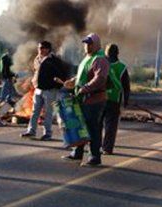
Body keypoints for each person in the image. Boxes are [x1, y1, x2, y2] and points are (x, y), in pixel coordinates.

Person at [63, 33, 110, 166]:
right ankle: (77, 153)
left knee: (92, 128)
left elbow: (100, 78)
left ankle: (94, 157)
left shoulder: (100, 59)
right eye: (85, 43)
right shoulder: (88, 58)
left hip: (94, 99)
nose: (87, 46)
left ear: (96, 44)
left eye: (90, 44)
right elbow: (83, 75)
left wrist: (85, 88)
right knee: (80, 126)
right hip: (83, 99)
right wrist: (73, 81)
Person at [21, 41, 68, 141]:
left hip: (50, 90)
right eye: (39, 48)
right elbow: (36, 72)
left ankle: (47, 133)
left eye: (42, 48)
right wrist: (34, 83)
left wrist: (55, 86)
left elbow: (62, 75)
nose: (40, 50)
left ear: (48, 49)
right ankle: (31, 131)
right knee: (35, 111)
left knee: (48, 113)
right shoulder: (37, 59)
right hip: (38, 89)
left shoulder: (54, 60)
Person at [102, 44, 130, 155]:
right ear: (117, 53)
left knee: (97, 124)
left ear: (106, 53)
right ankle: (107, 148)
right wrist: (126, 102)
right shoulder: (122, 67)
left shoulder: (102, 64)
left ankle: (95, 146)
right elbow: (126, 87)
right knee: (111, 126)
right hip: (114, 100)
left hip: (100, 98)